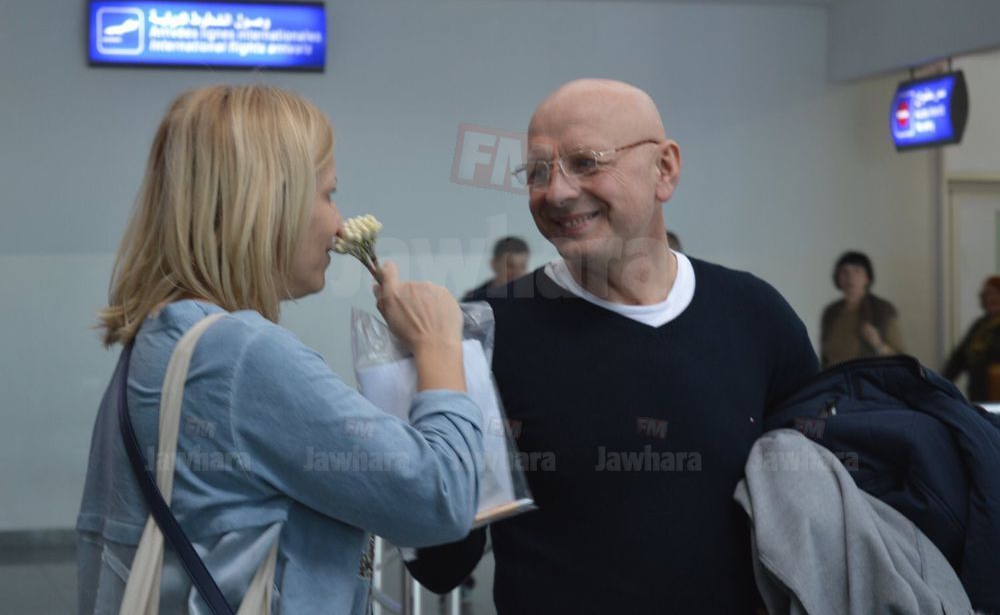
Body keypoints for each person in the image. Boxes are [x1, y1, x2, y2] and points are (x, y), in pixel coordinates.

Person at [406, 79, 819, 613]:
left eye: (585, 163)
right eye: (537, 172)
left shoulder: (756, 317)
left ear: (664, 169)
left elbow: (819, 515)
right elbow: (441, 564)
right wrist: (412, 387)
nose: (557, 192)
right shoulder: (489, 332)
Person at [76, 85, 484, 614]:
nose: (339, 224)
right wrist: (438, 347)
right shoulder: (240, 355)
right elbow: (440, 500)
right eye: (328, 195)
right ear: (269, 202)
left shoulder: (161, 339)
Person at [820, 251, 903, 367]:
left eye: (857, 271)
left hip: (868, 376)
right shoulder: (830, 312)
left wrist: (878, 343)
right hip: (834, 376)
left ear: (867, 278)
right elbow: (824, 356)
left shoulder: (883, 310)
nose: (850, 277)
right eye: (845, 272)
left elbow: (900, 358)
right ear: (838, 277)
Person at [943, 275, 1000, 402]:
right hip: (979, 392)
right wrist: (941, 383)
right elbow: (959, 358)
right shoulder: (980, 325)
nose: (991, 298)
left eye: (996, 294)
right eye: (988, 294)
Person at [461, 236, 530, 301]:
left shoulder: (532, 302)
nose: (518, 273)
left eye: (522, 266)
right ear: (494, 264)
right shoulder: (473, 301)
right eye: (510, 266)